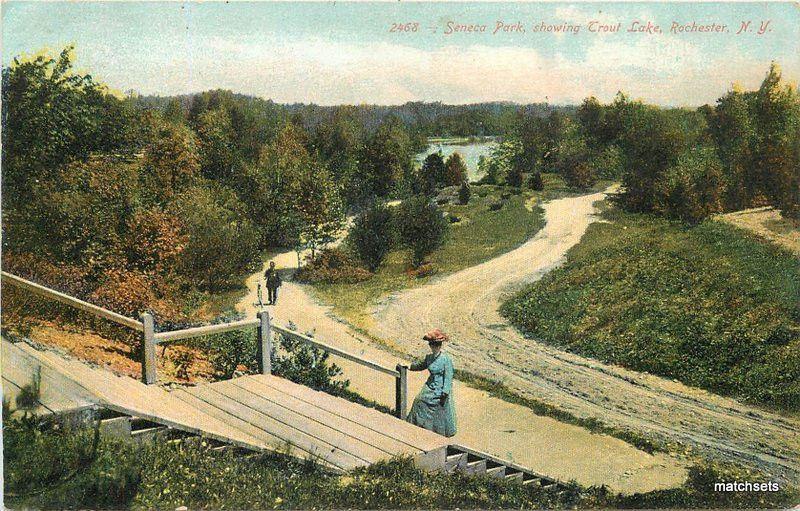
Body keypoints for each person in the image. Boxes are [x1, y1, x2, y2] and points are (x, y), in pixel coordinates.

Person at [405, 328, 457, 437]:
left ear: (440, 346)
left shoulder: (446, 359)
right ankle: (418, 426)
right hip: (429, 386)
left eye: (436, 345)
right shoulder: (429, 358)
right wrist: (408, 366)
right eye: (432, 345)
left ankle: (437, 431)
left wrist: (445, 392)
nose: (434, 348)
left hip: (440, 388)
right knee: (419, 400)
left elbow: (448, 377)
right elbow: (420, 366)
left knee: (439, 409)